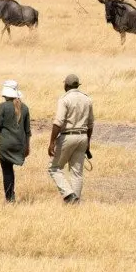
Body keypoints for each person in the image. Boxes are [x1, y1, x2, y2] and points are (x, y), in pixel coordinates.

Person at [48, 73, 93, 204]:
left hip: (68, 136)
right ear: (77, 85)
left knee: (54, 167)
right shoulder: (87, 99)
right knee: (77, 172)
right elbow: (91, 124)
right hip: (83, 136)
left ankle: (69, 195)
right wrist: (88, 142)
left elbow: (58, 122)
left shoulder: (64, 99)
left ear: (66, 85)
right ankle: (75, 203)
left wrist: (51, 142)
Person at [0, 79, 31, 202]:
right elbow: (27, 131)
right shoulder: (25, 108)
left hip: (4, 144)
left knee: (7, 171)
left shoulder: (2, 106)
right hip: (19, 144)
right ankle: (11, 196)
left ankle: (10, 198)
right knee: (10, 170)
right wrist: (27, 147)